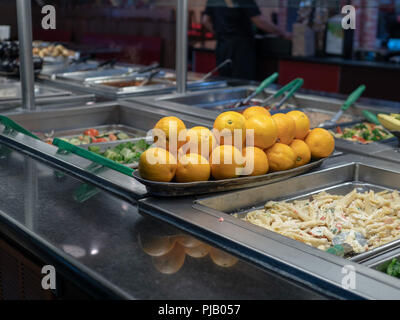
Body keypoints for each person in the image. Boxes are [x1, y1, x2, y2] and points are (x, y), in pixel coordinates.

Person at [202, 0, 291, 80]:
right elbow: (259, 21)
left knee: (226, 82)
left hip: (222, 45)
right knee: (241, 82)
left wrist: (220, 32)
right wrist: (282, 33)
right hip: (240, 48)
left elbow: (205, 20)